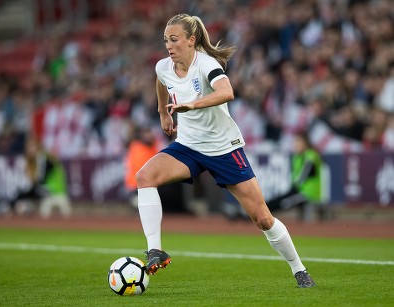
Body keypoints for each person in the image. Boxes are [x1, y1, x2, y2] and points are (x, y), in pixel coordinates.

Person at [135, 13, 315, 288]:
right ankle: (155, 249)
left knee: (263, 218)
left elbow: (227, 91)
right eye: (165, 40)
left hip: (223, 149)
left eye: (174, 39)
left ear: (191, 40)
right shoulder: (164, 67)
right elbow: (161, 81)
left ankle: (299, 269)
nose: (168, 45)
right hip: (188, 146)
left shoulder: (206, 64)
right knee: (144, 177)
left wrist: (192, 105)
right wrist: (163, 112)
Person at [266, 133, 324, 221]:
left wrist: (293, 187)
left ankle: (260, 214)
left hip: (308, 193)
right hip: (299, 190)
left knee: (284, 202)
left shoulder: (310, 155)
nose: (295, 145)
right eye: (294, 143)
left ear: (305, 143)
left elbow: (303, 176)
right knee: (278, 199)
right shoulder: (297, 157)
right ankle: (258, 212)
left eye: (298, 142)